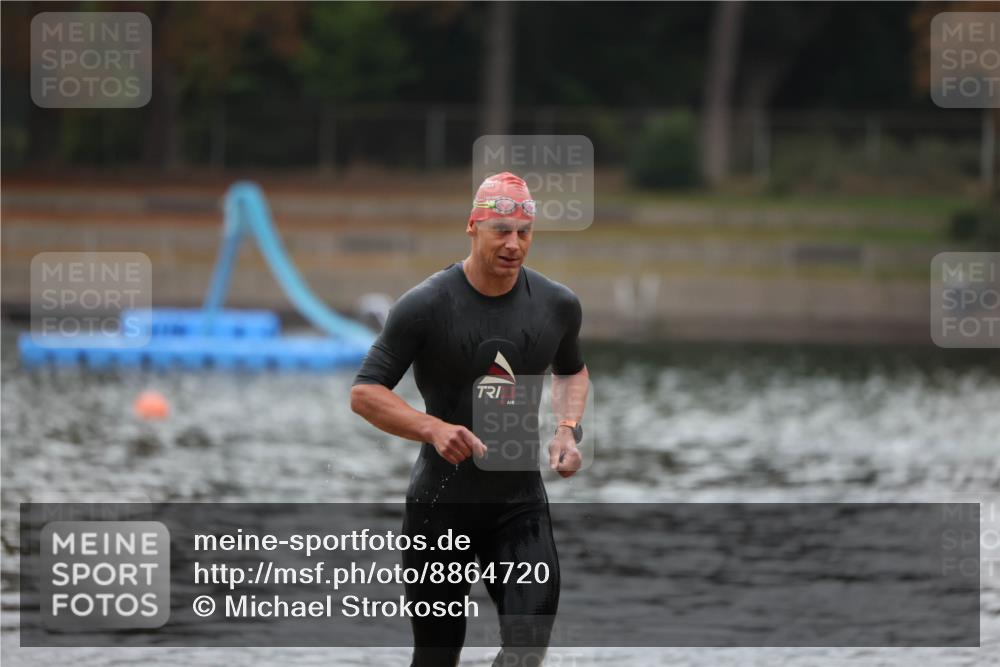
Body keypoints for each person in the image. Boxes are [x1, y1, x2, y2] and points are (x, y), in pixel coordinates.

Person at [350, 172, 590, 667]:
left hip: (518, 506)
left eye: (523, 233)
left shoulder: (557, 305)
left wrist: (567, 430)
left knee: (527, 651)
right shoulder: (426, 305)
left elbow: (573, 371)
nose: (513, 244)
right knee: (437, 658)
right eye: (500, 230)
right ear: (472, 227)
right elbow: (365, 393)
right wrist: (432, 428)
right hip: (440, 506)